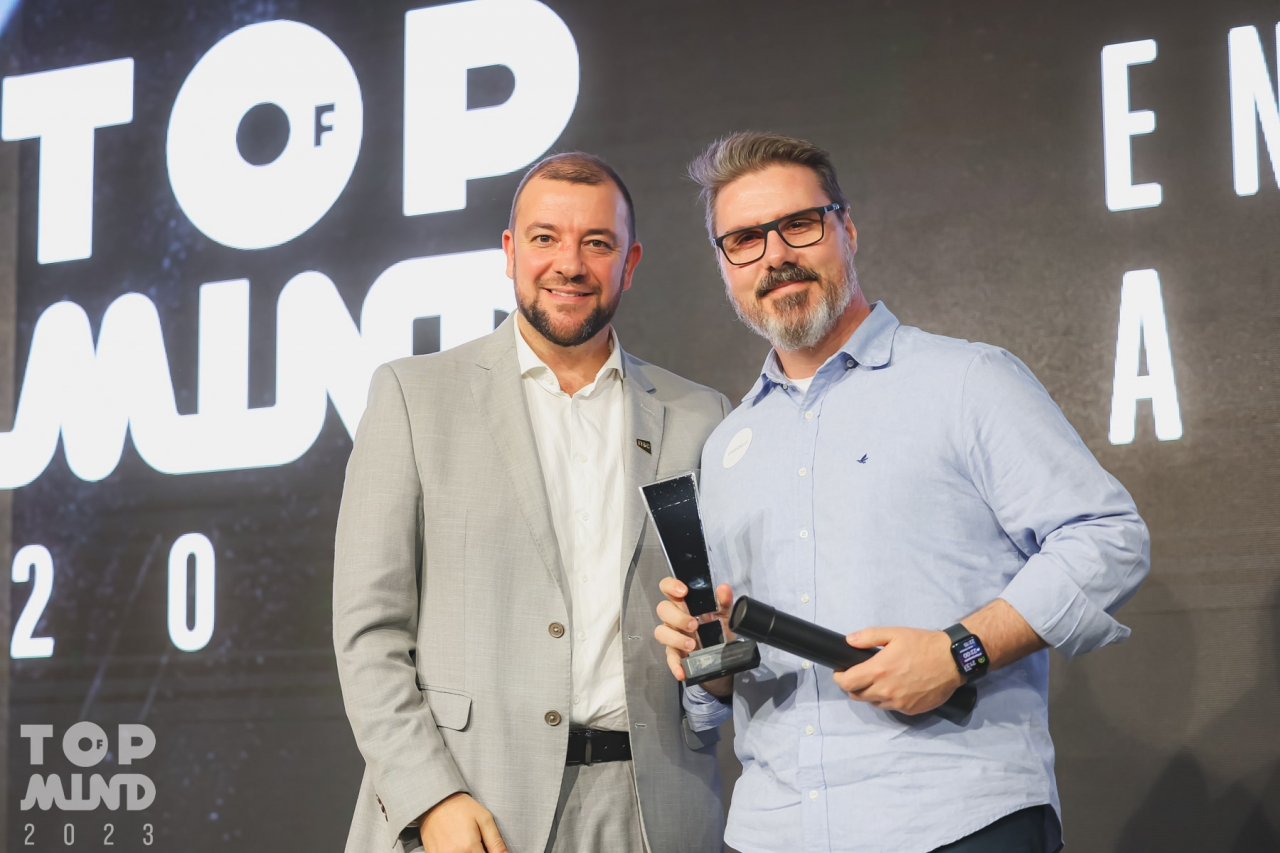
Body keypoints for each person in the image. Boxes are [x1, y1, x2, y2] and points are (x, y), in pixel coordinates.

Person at [653, 132, 1150, 853]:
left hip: (955, 821)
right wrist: (714, 661)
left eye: (799, 224)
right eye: (744, 240)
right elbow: (710, 702)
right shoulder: (727, 448)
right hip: (773, 830)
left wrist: (960, 651)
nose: (775, 255)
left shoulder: (967, 381)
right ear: (725, 265)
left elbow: (1109, 538)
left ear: (847, 229)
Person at [334, 152, 728, 853]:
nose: (569, 264)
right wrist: (431, 796)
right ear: (511, 251)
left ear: (630, 263)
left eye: (597, 242)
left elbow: (711, 638)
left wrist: (714, 681)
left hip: (652, 813)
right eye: (546, 238)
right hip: (469, 806)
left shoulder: (700, 416)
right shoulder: (413, 397)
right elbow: (370, 632)